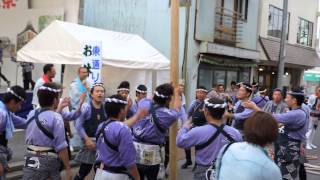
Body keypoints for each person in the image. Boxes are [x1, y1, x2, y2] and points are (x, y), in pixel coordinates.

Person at [243, 90, 308, 180]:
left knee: (286, 176)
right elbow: (280, 124)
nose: (285, 99)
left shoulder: (296, 114)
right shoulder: (297, 112)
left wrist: (254, 107)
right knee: (281, 174)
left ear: (294, 100)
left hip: (290, 151)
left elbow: (271, 117)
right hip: (286, 149)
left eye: (287, 98)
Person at [176, 97, 242, 180]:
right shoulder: (235, 132)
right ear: (224, 112)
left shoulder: (198, 131)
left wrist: (185, 127)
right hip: (226, 171)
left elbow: (180, 141)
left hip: (204, 172)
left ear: (206, 111)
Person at [23, 83, 72, 180]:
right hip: (47, 159)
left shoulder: (31, 113)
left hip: (29, 157)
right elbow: (61, 147)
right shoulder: (56, 117)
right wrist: (68, 168)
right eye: (58, 97)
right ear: (55, 100)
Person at [132, 83, 180, 180]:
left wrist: (161, 90)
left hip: (134, 147)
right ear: (168, 100)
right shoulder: (168, 115)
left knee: (136, 177)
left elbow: (152, 97)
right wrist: (176, 93)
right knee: (152, 176)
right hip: (151, 151)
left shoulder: (143, 102)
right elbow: (176, 109)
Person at [215, 111, 282, 180]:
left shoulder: (227, 147)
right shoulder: (270, 168)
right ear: (273, 133)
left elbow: (216, 174)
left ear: (247, 127)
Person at [94, 94, 147, 180]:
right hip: (117, 176)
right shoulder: (123, 130)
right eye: (126, 108)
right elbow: (129, 162)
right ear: (122, 110)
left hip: (100, 173)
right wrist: (137, 177)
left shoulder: (101, 126)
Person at [74, 83, 106, 180]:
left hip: (102, 145)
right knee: (84, 170)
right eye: (97, 91)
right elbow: (78, 125)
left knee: (100, 172)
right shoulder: (86, 107)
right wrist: (87, 139)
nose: (100, 93)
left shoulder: (105, 108)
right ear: (92, 94)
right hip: (89, 143)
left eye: (102, 91)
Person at [0, 86, 26, 179]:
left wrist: (41, 121)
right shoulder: (2, 114)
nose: (20, 108)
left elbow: (22, 122)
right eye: (19, 104)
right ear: (12, 102)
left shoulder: (6, 112)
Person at [181, 86, 208, 169]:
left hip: (203, 126)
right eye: (198, 92)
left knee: (198, 145)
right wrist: (186, 124)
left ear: (205, 94)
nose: (200, 94)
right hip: (193, 125)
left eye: (202, 93)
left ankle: (197, 163)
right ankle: (188, 160)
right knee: (187, 143)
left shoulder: (207, 103)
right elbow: (188, 114)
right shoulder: (194, 103)